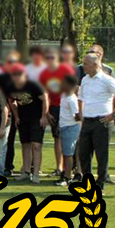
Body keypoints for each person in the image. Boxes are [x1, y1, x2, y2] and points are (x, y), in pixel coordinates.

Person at [78, 53, 115, 191]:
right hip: (87, 121)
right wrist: (81, 115)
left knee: (101, 155)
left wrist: (113, 115)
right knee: (83, 154)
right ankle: (88, 184)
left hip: (102, 122)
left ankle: (100, 185)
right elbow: (81, 98)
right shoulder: (85, 79)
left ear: (95, 65)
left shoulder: (107, 80)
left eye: (85, 64)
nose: (83, 66)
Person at [8, 63, 49, 184]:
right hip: (23, 119)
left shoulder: (33, 85)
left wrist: (44, 116)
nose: (16, 77)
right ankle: (26, 172)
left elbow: (45, 98)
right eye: (14, 74)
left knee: (36, 145)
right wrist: (16, 116)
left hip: (36, 118)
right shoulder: (12, 87)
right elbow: (11, 101)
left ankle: (35, 173)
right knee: (25, 144)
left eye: (19, 74)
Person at [39, 47, 76, 176]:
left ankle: (71, 168)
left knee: (69, 137)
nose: (49, 60)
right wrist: (47, 112)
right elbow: (45, 94)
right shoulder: (44, 73)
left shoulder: (66, 70)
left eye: (52, 57)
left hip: (66, 107)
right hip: (54, 108)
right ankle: (59, 168)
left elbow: (74, 88)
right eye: (47, 57)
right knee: (57, 138)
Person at [56, 75, 81, 187]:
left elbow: (77, 116)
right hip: (64, 127)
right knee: (65, 153)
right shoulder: (64, 96)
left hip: (70, 127)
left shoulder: (71, 99)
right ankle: (66, 174)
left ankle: (67, 177)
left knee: (68, 154)